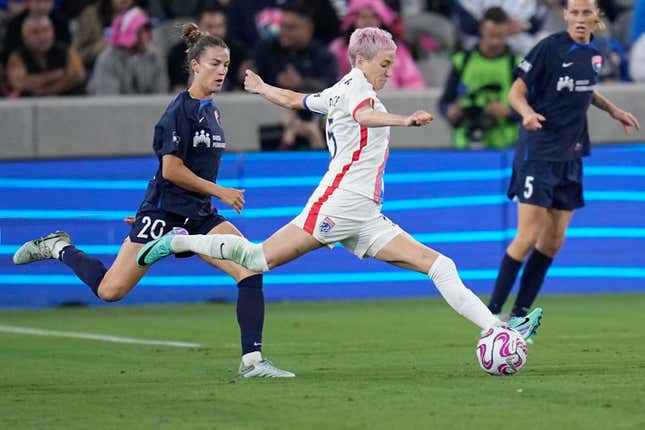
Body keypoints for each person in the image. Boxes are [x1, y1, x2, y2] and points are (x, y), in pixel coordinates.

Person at [138, 27, 543, 345]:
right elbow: (364, 117)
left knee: (438, 265)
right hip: (339, 203)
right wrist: (404, 121)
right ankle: (179, 242)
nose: (389, 71)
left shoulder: (341, 89)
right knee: (258, 259)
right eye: (385, 63)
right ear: (361, 61)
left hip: (365, 213)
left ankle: (496, 329)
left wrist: (262, 88)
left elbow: (298, 100)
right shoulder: (358, 90)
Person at [12, 22, 294, 378]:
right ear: (195, 65)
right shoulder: (179, 112)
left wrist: (206, 199)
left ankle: (252, 362)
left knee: (251, 267)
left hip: (199, 214)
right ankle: (58, 247)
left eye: (226, 64)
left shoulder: (211, 110)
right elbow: (172, 170)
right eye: (215, 64)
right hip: (164, 215)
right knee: (110, 290)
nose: (222, 70)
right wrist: (217, 191)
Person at [487, 0, 640, 326]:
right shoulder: (548, 48)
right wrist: (527, 114)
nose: (580, 19)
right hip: (539, 151)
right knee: (527, 236)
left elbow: (585, 90)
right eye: (575, 12)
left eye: (587, 13)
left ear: (595, 16)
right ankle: (491, 314)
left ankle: (518, 317)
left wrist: (613, 110)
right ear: (566, 15)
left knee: (553, 241)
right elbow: (516, 92)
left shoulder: (596, 51)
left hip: (571, 154)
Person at [439, 6, 520, 150]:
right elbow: (445, 102)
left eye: (499, 36)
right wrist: (451, 111)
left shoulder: (517, 64)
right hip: (465, 144)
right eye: (492, 35)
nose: (495, 41)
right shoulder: (462, 61)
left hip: (504, 145)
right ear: (482, 29)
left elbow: (533, 107)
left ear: (507, 31)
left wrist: (508, 113)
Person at [329, 0, 425, 89]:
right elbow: (332, 82)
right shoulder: (338, 49)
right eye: (363, 17)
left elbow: (414, 83)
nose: (368, 21)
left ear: (381, 20)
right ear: (354, 20)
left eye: (373, 16)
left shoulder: (397, 50)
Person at [87, 7, 168, 95]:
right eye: (139, 31)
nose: (145, 36)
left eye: (146, 30)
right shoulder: (108, 59)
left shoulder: (155, 57)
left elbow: (160, 94)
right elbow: (108, 100)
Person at [5, 13, 85, 96]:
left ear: (53, 32)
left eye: (46, 30)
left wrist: (47, 90)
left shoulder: (68, 51)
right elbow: (20, 83)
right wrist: (54, 75)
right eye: (35, 32)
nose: (42, 37)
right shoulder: (17, 56)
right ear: (24, 37)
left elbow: (77, 75)